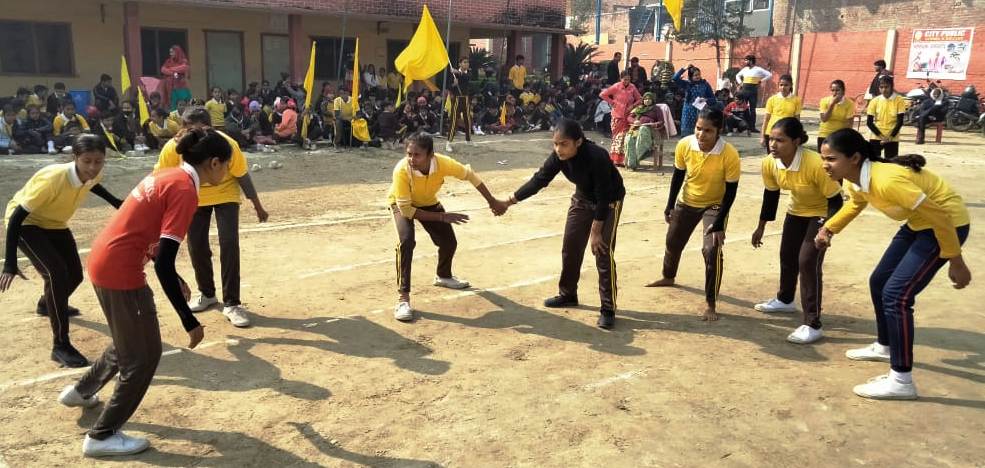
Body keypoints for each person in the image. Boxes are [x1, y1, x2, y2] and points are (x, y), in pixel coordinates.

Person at [56, 129, 231, 457]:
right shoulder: (185, 190)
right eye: (226, 165)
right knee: (144, 355)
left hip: (105, 259)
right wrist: (189, 319)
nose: (227, 172)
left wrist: (174, 274)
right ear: (214, 163)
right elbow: (163, 262)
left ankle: (82, 391)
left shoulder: (168, 175)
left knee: (128, 341)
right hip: (120, 271)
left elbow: (144, 231)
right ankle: (102, 436)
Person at [815, 128, 971, 400]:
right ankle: (885, 345)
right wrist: (829, 228)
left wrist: (955, 260)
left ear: (854, 158)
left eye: (831, 159)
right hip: (918, 223)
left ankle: (901, 380)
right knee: (879, 282)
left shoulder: (886, 180)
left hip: (947, 224)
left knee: (897, 296)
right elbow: (855, 205)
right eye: (823, 159)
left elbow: (940, 216)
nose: (825, 165)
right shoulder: (854, 179)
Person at [1, 135, 123, 368]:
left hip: (55, 224)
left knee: (75, 275)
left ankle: (46, 304)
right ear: (75, 157)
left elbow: (92, 183)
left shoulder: (93, 174)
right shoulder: (53, 178)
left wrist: (115, 201)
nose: (93, 167)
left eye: (98, 161)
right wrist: (10, 264)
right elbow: (17, 217)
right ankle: (60, 346)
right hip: (27, 224)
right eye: (87, 161)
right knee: (56, 274)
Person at [498, 119, 625, 329]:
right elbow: (540, 179)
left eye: (564, 144)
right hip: (582, 199)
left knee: (602, 252)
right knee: (571, 248)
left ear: (578, 142)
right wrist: (509, 201)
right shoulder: (559, 157)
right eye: (555, 144)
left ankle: (608, 308)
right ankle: (568, 294)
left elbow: (604, 196)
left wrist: (596, 232)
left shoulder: (597, 156)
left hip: (609, 202)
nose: (558, 149)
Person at [154, 107, 269, 328]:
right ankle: (207, 293)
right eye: (190, 129)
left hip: (225, 194)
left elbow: (242, 176)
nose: (196, 134)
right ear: (182, 128)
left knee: (229, 243)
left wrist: (258, 207)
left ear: (210, 128)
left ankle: (232, 303)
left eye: (200, 129)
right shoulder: (174, 148)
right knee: (196, 244)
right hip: (194, 197)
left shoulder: (226, 144)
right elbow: (160, 177)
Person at [387, 132, 503, 321]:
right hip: (402, 205)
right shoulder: (401, 170)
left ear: (430, 155)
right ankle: (403, 299)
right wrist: (442, 217)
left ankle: (443, 276)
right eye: (409, 154)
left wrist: (492, 201)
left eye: (417, 155)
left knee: (449, 242)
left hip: (427, 202)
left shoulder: (442, 163)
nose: (411, 159)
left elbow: (470, 175)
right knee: (406, 242)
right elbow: (406, 210)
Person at [751, 118, 843, 344]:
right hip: (796, 211)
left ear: (796, 141)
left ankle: (813, 323)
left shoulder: (815, 164)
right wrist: (761, 227)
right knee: (787, 256)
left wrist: (827, 230)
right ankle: (785, 300)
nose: (773, 144)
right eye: (771, 139)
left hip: (821, 211)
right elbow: (771, 196)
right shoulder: (770, 163)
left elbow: (836, 201)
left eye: (780, 140)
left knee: (807, 261)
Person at [646, 109, 739, 322]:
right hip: (687, 201)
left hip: (715, 205)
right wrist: (669, 205)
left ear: (718, 131)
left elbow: (731, 192)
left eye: (708, 130)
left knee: (711, 250)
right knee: (672, 242)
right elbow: (678, 176)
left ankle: (710, 303)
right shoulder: (685, 144)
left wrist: (720, 222)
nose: (701, 134)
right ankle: (668, 277)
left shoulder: (729, 154)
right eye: (698, 128)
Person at [599, 71, 642, 166]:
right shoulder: (616, 86)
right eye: (625, 79)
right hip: (617, 115)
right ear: (621, 79)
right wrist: (612, 102)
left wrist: (633, 105)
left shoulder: (632, 87)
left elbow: (640, 99)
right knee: (617, 138)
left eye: (629, 79)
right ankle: (615, 159)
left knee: (625, 138)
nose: (627, 81)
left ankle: (623, 160)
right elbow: (602, 94)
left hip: (628, 116)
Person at [866, 75, 906, 159]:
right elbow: (869, 122)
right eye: (881, 87)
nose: (884, 90)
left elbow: (900, 121)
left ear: (892, 87)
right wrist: (882, 137)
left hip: (892, 136)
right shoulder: (874, 101)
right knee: (874, 161)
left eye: (886, 87)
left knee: (891, 162)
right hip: (876, 135)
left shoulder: (899, 100)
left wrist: (890, 137)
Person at [672, 65, 717, 137]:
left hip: (701, 112)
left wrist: (706, 100)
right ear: (691, 76)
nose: (698, 76)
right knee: (687, 136)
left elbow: (714, 100)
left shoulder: (705, 84)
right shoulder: (687, 84)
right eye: (695, 75)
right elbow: (675, 78)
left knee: (700, 135)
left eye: (699, 74)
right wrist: (684, 68)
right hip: (688, 113)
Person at [623, 92, 665, 170]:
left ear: (652, 100)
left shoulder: (656, 109)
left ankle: (635, 161)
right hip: (636, 128)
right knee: (629, 139)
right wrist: (634, 121)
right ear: (643, 100)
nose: (647, 100)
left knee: (643, 129)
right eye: (645, 99)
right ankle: (632, 163)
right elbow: (629, 117)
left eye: (649, 99)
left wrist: (654, 124)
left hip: (649, 130)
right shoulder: (638, 108)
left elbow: (661, 121)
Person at [761, 74, 803, 149]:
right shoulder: (772, 99)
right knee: (772, 155)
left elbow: (797, 120)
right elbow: (766, 119)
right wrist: (762, 136)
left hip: (787, 134)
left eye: (786, 85)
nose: (783, 87)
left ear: (791, 85)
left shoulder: (796, 100)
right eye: (781, 85)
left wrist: (798, 135)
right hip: (772, 133)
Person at [735, 55, 772, 132]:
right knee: (742, 108)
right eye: (745, 60)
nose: (745, 62)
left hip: (753, 91)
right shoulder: (745, 69)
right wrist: (740, 83)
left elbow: (769, 75)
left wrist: (761, 81)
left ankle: (752, 127)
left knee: (752, 110)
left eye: (746, 60)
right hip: (744, 90)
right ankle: (741, 126)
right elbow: (737, 75)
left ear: (751, 61)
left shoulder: (758, 69)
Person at [817, 79, 856, 151]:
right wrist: (832, 104)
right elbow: (824, 119)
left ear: (843, 91)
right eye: (832, 90)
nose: (835, 93)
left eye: (837, 90)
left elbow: (849, 123)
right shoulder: (824, 101)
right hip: (824, 133)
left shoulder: (849, 103)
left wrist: (845, 137)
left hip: (839, 135)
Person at [446, 57, 473, 152]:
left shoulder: (468, 73)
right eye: (464, 62)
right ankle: (448, 142)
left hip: (466, 99)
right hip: (457, 99)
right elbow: (449, 86)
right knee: (454, 120)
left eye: (467, 62)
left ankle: (468, 139)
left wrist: (457, 72)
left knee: (468, 119)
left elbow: (466, 78)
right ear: (460, 64)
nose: (466, 64)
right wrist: (454, 84)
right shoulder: (453, 74)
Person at [161, 45, 191, 110]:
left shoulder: (183, 61)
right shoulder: (168, 61)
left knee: (182, 102)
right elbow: (163, 70)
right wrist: (174, 73)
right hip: (170, 87)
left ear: (177, 52)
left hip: (180, 86)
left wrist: (171, 69)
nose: (170, 54)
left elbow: (184, 68)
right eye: (170, 52)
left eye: (172, 52)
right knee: (172, 103)